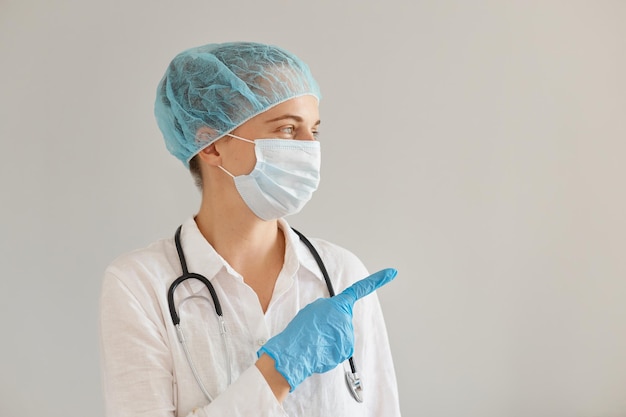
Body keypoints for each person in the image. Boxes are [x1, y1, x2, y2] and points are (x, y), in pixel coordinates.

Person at [99, 41, 401, 417]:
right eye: (288, 130)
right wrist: (277, 372)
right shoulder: (140, 285)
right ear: (210, 145)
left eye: (314, 131)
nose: (310, 148)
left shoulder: (342, 276)